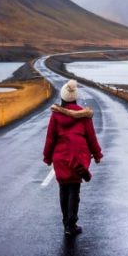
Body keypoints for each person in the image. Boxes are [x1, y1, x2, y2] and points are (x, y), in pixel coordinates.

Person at [43, 79, 103, 236]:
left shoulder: (56, 116)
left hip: (60, 160)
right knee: (74, 191)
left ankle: (66, 224)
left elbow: (50, 139)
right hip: (77, 159)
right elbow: (91, 138)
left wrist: (47, 157)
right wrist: (97, 155)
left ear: (62, 97)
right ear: (75, 97)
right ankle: (71, 225)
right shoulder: (84, 116)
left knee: (64, 190)